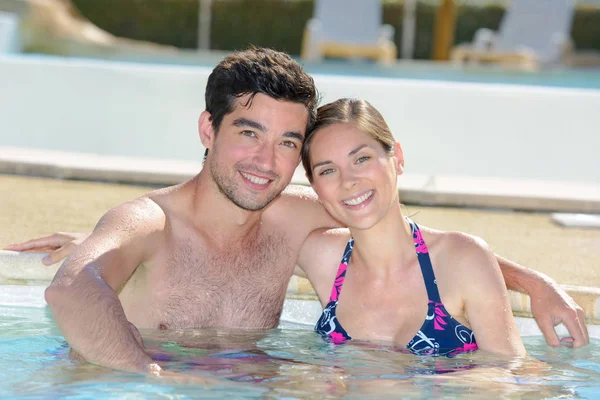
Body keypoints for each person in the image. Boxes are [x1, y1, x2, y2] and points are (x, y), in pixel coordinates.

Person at [4, 48, 587, 376]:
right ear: (208, 128)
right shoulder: (147, 223)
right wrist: (157, 383)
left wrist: (532, 281)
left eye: (288, 142)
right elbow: (72, 292)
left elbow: (402, 231)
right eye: (249, 133)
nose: (267, 160)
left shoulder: (287, 219)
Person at [297, 98, 524, 356]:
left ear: (398, 158)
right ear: (314, 185)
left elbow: (508, 375)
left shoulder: (461, 259)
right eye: (327, 171)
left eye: (361, 159)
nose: (348, 181)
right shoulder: (322, 256)